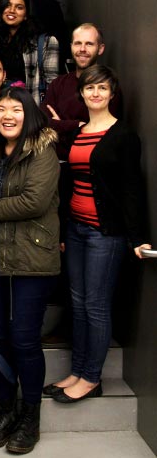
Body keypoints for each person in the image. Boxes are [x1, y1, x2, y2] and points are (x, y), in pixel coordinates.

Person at [45, 66, 151, 403]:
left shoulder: (123, 135)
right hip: (76, 229)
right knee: (76, 304)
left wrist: (137, 238)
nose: (95, 94)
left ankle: (92, 378)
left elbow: (133, 189)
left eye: (102, 88)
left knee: (96, 305)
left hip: (106, 234)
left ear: (112, 93)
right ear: (82, 94)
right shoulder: (79, 132)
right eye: (89, 88)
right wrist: (63, 228)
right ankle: (77, 371)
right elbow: (70, 182)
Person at [0, 86, 60, 454]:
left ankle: (30, 417)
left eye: (16, 109)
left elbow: (34, 202)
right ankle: (5, 410)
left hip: (31, 259)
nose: (8, 115)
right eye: (1, 109)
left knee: (24, 339)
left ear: (29, 114)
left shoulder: (42, 151)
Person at [41, 23, 122, 157]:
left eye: (89, 44)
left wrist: (59, 125)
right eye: (78, 43)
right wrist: (77, 124)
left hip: (91, 164)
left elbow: (105, 133)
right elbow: (42, 122)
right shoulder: (58, 84)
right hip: (59, 164)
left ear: (100, 49)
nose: (82, 49)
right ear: (71, 47)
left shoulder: (106, 88)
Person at [0, 0, 59, 105]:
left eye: (19, 7)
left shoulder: (45, 42)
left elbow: (52, 84)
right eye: (8, 6)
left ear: (26, 15)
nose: (12, 11)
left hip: (30, 107)